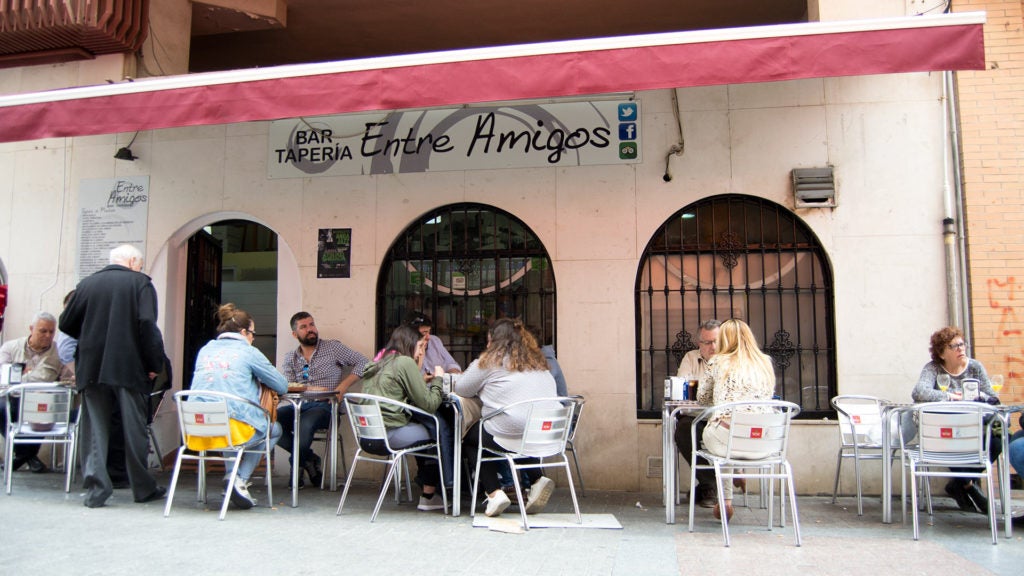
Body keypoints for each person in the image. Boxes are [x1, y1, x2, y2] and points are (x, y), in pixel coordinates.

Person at [59, 244, 167, 508]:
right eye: (139, 265)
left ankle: (97, 489)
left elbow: (66, 323)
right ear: (132, 261)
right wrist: (155, 363)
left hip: (92, 366)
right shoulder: (140, 284)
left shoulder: (87, 284)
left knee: (94, 427)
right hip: (129, 366)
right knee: (134, 428)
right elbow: (147, 325)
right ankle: (142, 487)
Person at [454, 318, 560, 517]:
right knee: (513, 433)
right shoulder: (538, 363)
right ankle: (537, 479)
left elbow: (461, 388)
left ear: (494, 342)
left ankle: (494, 493)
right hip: (544, 432)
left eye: (488, 341)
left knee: (472, 438)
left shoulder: (489, 362)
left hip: (510, 428)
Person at [189, 304, 287, 509]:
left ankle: (232, 481)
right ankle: (238, 479)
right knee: (272, 429)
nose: (253, 338)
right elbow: (281, 385)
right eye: (253, 333)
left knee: (227, 421)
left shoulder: (205, 349)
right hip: (233, 429)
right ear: (243, 332)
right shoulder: (248, 351)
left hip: (197, 430)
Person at [912, 326, 1001, 514]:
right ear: (942, 353)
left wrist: (977, 397)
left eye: (962, 344)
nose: (960, 349)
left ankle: (960, 484)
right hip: (947, 429)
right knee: (950, 440)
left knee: (999, 439)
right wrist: (952, 396)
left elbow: (993, 397)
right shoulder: (933, 368)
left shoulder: (975, 367)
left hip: (975, 427)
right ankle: (968, 486)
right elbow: (919, 391)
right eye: (954, 346)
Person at [360, 325, 448, 511]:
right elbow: (430, 404)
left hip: (367, 437)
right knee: (436, 431)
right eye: (421, 346)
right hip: (390, 434)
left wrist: (419, 368)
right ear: (410, 344)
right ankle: (428, 496)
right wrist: (438, 378)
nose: (421, 351)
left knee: (420, 427)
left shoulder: (380, 362)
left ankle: (426, 489)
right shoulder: (404, 363)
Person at [696, 318, 776, 521]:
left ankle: (726, 501)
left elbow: (702, 399)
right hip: (764, 443)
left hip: (727, 439)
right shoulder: (765, 362)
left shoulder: (717, 362)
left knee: (721, 430)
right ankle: (737, 473)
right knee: (734, 430)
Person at [278, 311, 369, 488]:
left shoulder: (332, 348)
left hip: (325, 407)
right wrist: (310, 389)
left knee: (305, 423)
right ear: (295, 334)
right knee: (271, 422)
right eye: (304, 327)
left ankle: (296, 467)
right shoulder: (291, 357)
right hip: (297, 404)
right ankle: (309, 459)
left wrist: (343, 386)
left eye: (312, 324)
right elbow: (288, 385)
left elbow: (364, 362)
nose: (310, 329)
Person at [0, 311, 69, 473]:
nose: (48, 335)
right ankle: (27, 455)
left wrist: (25, 376)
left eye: (52, 332)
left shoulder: (60, 352)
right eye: (43, 331)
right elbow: (3, 376)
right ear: (31, 329)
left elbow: (65, 379)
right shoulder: (10, 347)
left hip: (41, 401)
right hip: (12, 398)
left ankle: (22, 455)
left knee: (43, 408)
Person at [673, 319, 721, 508]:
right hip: (697, 417)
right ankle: (711, 484)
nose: (713, 347)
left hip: (723, 419)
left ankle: (708, 487)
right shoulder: (691, 358)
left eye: (717, 341)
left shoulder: (729, 360)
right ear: (699, 343)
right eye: (708, 342)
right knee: (683, 430)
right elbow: (682, 385)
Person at [406, 311, 461, 378]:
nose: (428, 337)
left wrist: (454, 373)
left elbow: (450, 363)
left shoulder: (434, 341)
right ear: (411, 334)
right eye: (424, 332)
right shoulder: (404, 352)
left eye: (429, 332)